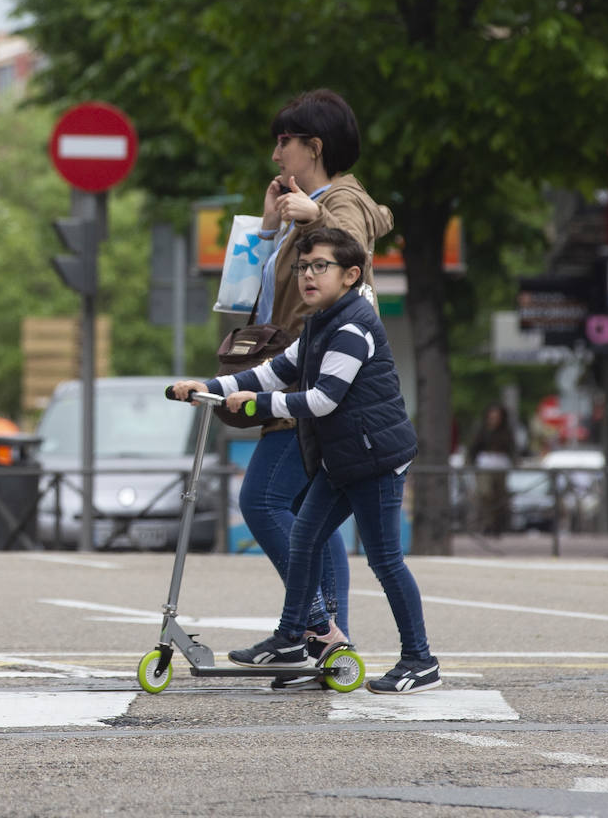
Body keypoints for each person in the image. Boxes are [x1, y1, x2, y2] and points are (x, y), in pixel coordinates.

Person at [174, 227, 439, 694]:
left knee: (385, 561)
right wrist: (208, 388)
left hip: (375, 461)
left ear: (351, 275)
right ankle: (293, 636)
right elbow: (275, 371)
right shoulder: (320, 322)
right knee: (303, 537)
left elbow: (322, 400)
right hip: (343, 459)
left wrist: (258, 406)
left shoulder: (353, 327)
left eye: (321, 266)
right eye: (302, 267)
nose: (308, 276)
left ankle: (420, 659)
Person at [226, 89, 395, 685]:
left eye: (284, 143)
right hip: (293, 365)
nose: (276, 155)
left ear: (312, 148)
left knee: (263, 501)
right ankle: (331, 648)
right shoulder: (307, 204)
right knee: (311, 516)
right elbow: (254, 298)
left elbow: (354, 242)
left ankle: (313, 628)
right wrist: (273, 228)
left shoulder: (340, 201)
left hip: (317, 380)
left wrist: (313, 219)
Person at [466, 404, 516, 536]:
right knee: (485, 493)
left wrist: (514, 461)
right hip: (485, 461)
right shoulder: (481, 430)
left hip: (501, 462)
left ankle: (497, 524)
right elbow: (473, 448)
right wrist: (469, 462)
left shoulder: (506, 431)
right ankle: (487, 522)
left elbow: (512, 448)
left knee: (499, 495)